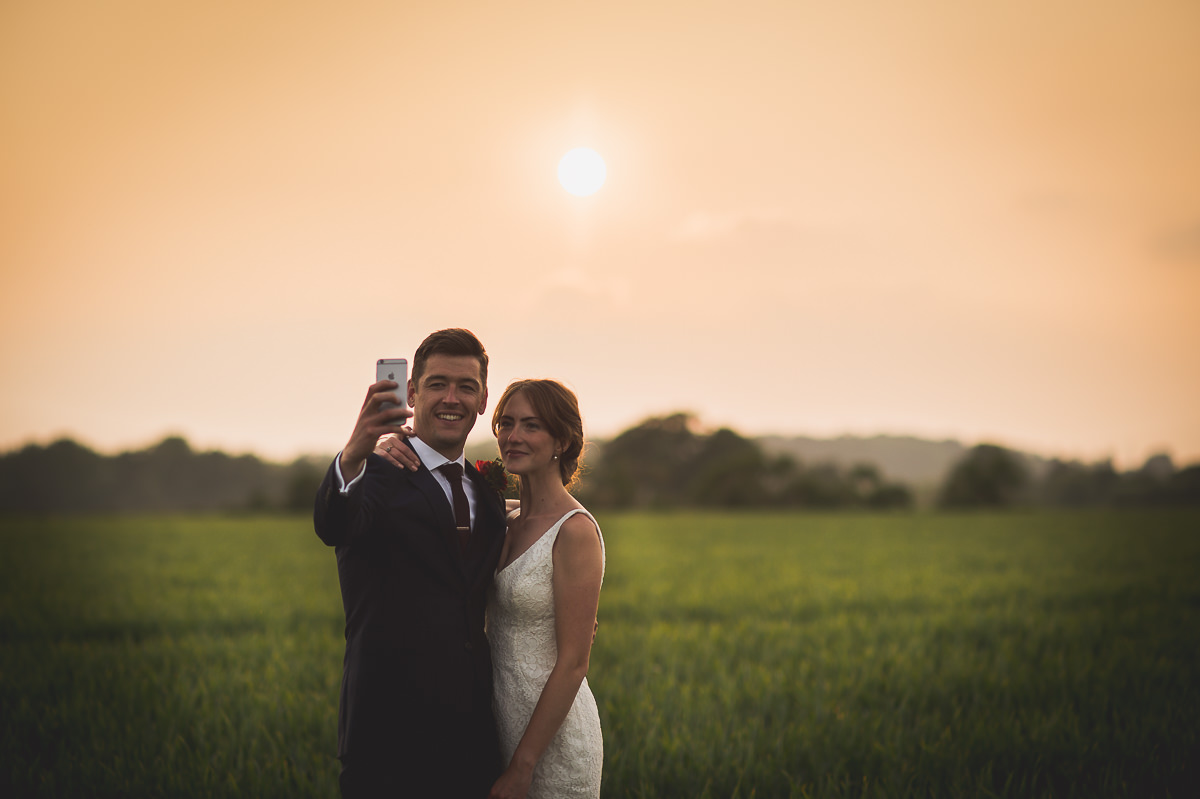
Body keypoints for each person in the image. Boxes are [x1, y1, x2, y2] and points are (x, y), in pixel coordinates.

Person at [313, 328, 507, 798]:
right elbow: (333, 525)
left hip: (472, 740)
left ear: (483, 400)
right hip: (386, 738)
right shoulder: (376, 472)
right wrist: (358, 448)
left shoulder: (487, 493)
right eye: (437, 383)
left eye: (467, 386)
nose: (451, 398)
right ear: (412, 392)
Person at [483, 379, 605, 799]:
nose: (513, 436)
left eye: (531, 426)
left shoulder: (574, 531)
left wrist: (523, 766)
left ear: (562, 440)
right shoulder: (502, 519)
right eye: (506, 423)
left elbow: (574, 661)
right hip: (499, 723)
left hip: (551, 742)